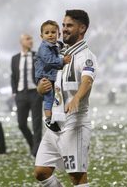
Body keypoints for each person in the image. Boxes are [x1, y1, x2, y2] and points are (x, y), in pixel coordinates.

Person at [34, 10, 97, 187]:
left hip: (74, 124)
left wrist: (77, 97)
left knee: (77, 177)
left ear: (82, 28)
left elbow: (87, 80)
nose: (64, 29)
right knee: (41, 172)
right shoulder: (59, 53)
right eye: (63, 25)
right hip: (55, 124)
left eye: (69, 25)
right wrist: (40, 88)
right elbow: (46, 78)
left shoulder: (86, 56)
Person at [35, 20, 71, 131]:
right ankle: (48, 119)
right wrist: (62, 61)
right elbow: (49, 60)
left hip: (51, 75)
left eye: (53, 32)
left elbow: (60, 47)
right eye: (47, 33)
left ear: (58, 34)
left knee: (56, 96)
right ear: (41, 36)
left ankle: (56, 116)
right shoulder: (44, 48)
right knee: (49, 97)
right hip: (45, 76)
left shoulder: (57, 45)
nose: (50, 35)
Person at [11, 34, 43, 157]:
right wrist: (15, 92)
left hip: (35, 93)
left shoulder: (37, 56)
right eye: (28, 39)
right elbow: (13, 76)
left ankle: (36, 151)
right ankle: (33, 144)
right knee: (21, 124)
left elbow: (42, 73)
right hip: (20, 94)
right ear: (21, 42)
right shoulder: (15, 58)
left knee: (36, 124)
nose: (31, 41)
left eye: (31, 39)